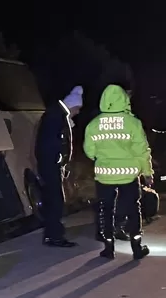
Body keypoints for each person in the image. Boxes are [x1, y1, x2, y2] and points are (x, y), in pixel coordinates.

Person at [84, 84, 152, 260]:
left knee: (106, 210)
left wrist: (104, 158)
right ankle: (136, 248)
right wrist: (147, 172)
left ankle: (108, 248)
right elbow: (142, 151)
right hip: (129, 175)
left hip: (104, 175)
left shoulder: (94, 124)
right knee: (132, 208)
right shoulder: (133, 123)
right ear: (124, 100)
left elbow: (89, 151)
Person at [35, 86, 84, 247]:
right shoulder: (56, 116)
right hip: (51, 165)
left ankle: (53, 234)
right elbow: (52, 142)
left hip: (51, 164)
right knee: (56, 199)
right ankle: (54, 236)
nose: (78, 112)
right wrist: (58, 160)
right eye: (77, 108)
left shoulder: (57, 114)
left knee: (54, 198)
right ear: (72, 105)